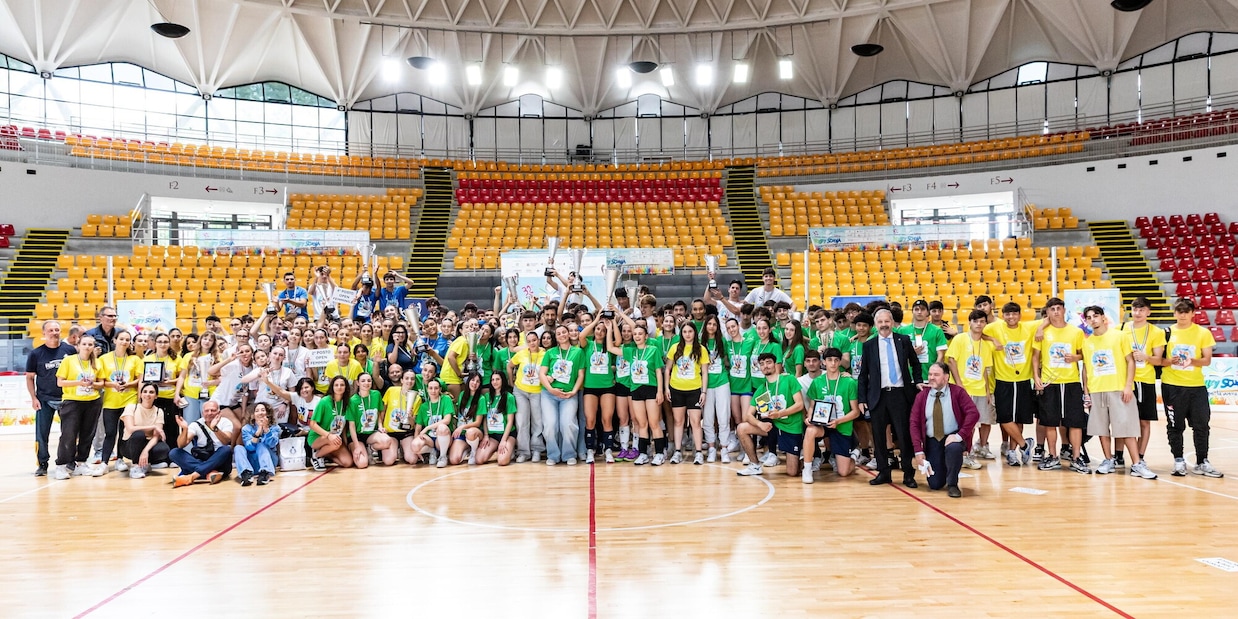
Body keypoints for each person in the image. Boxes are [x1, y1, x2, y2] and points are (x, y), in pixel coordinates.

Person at [1080, 306, 1156, 479]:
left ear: (1103, 318)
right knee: (1102, 429)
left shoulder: (1119, 336)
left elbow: (1131, 361)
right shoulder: (1087, 341)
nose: (1093, 319)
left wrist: (1128, 386)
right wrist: (1086, 390)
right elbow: (1085, 367)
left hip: (1119, 389)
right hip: (1097, 389)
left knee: (1126, 428)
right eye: (1089, 317)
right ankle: (1108, 460)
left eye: (1096, 316)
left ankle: (1136, 464)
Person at [856, 308, 923, 488]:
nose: (884, 325)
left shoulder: (904, 340)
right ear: (875, 325)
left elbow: (916, 364)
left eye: (887, 321)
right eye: (880, 322)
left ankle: (909, 474)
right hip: (878, 396)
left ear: (892, 322)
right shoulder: (869, 345)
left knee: (903, 436)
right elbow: (863, 375)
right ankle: (884, 473)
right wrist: (862, 399)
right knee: (878, 437)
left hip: (900, 394)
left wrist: (917, 382)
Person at [1160, 298, 1223, 478]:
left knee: (1201, 425)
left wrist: (1192, 361)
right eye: (1179, 311)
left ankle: (1202, 461)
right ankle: (1178, 460)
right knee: (1175, 425)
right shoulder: (1166, 333)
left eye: (1186, 311)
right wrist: (1169, 361)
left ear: (1193, 313)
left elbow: (1207, 360)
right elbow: (1159, 360)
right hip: (1172, 386)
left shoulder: (1203, 333)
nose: (1182, 315)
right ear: (1174, 313)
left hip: (1196, 387)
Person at [1032, 297, 1087, 474]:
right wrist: (1036, 378)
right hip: (1049, 383)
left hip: (1071, 382)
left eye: (1058, 308)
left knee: (1075, 423)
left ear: (1064, 310)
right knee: (1050, 422)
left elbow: (1083, 355)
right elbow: (1035, 357)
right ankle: (1053, 456)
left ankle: (1077, 458)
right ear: (1047, 312)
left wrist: (1075, 358)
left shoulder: (1076, 332)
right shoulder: (1042, 333)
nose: (1056, 311)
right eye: (1052, 309)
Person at [909, 362, 981, 498]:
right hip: (932, 441)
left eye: (936, 375)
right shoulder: (921, 396)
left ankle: (953, 483)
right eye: (930, 374)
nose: (931, 377)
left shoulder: (958, 392)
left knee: (954, 448)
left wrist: (960, 436)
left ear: (946, 377)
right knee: (935, 484)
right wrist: (918, 450)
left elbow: (973, 413)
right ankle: (944, 471)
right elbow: (914, 424)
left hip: (951, 438)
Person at [983, 302, 1037, 466]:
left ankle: (1013, 452)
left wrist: (1041, 329)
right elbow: (979, 333)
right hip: (1003, 380)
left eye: (1014, 313)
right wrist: (993, 339)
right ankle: (1024, 444)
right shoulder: (995, 328)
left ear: (1020, 315)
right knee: (1005, 417)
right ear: (1003, 315)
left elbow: (1048, 318)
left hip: (1023, 380)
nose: (1011, 317)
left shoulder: (1028, 327)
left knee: (1019, 418)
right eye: (1007, 314)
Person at [735, 352, 805, 477]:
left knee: (792, 472)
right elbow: (748, 415)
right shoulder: (762, 389)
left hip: (791, 427)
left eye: (768, 362)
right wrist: (760, 424)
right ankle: (755, 465)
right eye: (761, 364)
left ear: (775, 364)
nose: (765, 366)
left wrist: (780, 414)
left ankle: (807, 458)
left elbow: (800, 404)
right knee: (742, 428)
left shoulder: (788, 379)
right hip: (772, 427)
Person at [945, 309, 995, 471]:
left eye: (982, 321)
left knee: (976, 423)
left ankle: (969, 452)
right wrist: (959, 384)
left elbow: (985, 371)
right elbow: (951, 361)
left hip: (980, 389)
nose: (979, 324)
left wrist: (988, 391)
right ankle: (964, 455)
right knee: (965, 424)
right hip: (963, 389)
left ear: (985, 324)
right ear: (970, 323)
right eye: (975, 321)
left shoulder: (986, 345)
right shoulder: (960, 339)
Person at [802, 348, 860, 483]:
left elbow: (855, 411)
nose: (833, 363)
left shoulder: (849, 382)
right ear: (824, 362)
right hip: (822, 423)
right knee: (810, 430)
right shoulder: (817, 382)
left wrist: (838, 421)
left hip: (841, 424)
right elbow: (812, 406)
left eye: (836, 360)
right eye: (829, 360)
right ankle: (807, 469)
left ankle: (855, 454)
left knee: (844, 472)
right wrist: (809, 417)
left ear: (840, 362)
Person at [51, 334, 104, 479]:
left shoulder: (97, 363)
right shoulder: (69, 360)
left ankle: (81, 463)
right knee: (69, 434)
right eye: (85, 344)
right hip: (72, 401)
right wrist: (79, 383)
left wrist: (93, 384)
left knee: (87, 434)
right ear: (78, 345)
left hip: (92, 401)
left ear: (93, 347)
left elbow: (102, 383)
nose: (87, 347)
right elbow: (60, 382)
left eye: (90, 344)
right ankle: (61, 465)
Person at [26, 320, 75, 476]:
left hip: (67, 398)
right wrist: (33, 398)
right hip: (44, 399)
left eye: (57, 329)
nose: (54, 332)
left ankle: (69, 460)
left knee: (69, 433)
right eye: (51, 330)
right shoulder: (35, 354)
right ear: (44, 333)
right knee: (41, 434)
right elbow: (29, 378)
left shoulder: (70, 350)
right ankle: (42, 463)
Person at [1122, 296, 1166, 464]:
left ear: (1148, 312)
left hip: (1145, 381)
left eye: (1141, 310)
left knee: (1144, 421)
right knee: (1123, 421)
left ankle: (1140, 456)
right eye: (1135, 309)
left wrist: (1146, 357)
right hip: (1126, 381)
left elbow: (1159, 360)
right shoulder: (1124, 328)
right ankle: (1119, 455)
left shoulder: (1156, 332)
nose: (1137, 313)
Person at [540, 325, 585, 465]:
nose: (562, 335)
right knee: (550, 425)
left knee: (568, 424)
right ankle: (553, 455)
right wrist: (551, 389)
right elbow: (542, 374)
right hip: (549, 394)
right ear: (556, 337)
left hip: (569, 395)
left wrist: (574, 391)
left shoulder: (578, 352)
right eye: (558, 333)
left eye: (564, 332)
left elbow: (580, 375)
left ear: (569, 334)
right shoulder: (550, 353)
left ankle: (569, 454)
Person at [97, 329, 141, 473]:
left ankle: (120, 459)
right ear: (115, 340)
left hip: (129, 399)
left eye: (127, 340)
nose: (124, 342)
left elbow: (139, 380)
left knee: (124, 432)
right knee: (110, 432)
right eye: (121, 339)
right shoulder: (104, 359)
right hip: (111, 400)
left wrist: (128, 385)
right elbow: (102, 381)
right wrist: (113, 385)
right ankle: (104, 462)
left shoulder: (134, 359)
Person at [665, 321, 709, 464]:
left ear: (695, 333)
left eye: (690, 331)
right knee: (678, 421)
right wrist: (666, 388)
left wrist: (703, 392)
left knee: (696, 422)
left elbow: (704, 372)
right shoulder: (675, 348)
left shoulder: (701, 349)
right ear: (681, 333)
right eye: (685, 332)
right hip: (676, 389)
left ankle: (699, 453)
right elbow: (667, 369)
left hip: (694, 389)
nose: (687, 334)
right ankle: (677, 451)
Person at [579, 313, 617, 464]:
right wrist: (596, 321)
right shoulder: (588, 343)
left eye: (602, 330)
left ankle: (607, 450)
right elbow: (581, 336)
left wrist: (611, 325)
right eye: (597, 329)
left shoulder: (610, 346)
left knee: (607, 419)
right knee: (590, 419)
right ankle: (590, 450)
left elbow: (618, 342)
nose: (599, 332)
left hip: (607, 386)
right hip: (590, 386)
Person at [170, 400, 235, 487]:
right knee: (174, 452)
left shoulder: (226, 422)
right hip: (203, 459)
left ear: (219, 412)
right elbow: (181, 445)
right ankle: (210, 473)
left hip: (220, 462)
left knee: (226, 449)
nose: (209, 413)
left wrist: (214, 428)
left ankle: (192, 476)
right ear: (202, 412)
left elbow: (226, 441)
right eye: (207, 411)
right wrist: (185, 429)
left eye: (213, 410)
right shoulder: (196, 424)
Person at [119, 383, 171, 479]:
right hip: (129, 444)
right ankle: (135, 467)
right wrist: (153, 427)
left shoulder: (159, 411)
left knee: (164, 449)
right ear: (141, 394)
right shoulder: (131, 407)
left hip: (148, 443)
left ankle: (145, 464)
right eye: (145, 392)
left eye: (151, 392)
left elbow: (156, 436)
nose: (147, 395)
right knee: (139, 434)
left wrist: (145, 451)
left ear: (156, 396)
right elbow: (130, 429)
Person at [509, 331, 546, 462]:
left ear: (538, 340)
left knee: (537, 421)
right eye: (529, 341)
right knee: (522, 421)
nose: (532, 343)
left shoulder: (544, 354)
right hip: (520, 391)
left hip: (537, 391)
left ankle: (536, 449)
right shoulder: (522, 353)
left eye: (534, 340)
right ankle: (524, 452)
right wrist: (511, 381)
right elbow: (510, 366)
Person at [700, 314, 732, 464]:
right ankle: (712, 447)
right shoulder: (700, 343)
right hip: (705, 384)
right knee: (707, 417)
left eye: (714, 324)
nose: (711, 326)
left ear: (718, 326)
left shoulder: (722, 341)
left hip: (722, 381)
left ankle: (724, 448)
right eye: (709, 323)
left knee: (723, 416)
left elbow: (727, 360)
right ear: (705, 325)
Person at [308, 376, 356, 470]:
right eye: (336, 385)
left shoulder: (347, 403)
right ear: (332, 387)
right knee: (335, 443)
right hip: (318, 437)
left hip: (336, 438)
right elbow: (312, 424)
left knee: (348, 462)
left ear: (346, 387)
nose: (339, 387)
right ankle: (316, 456)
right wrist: (328, 435)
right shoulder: (325, 401)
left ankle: (325, 454)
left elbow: (344, 427)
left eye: (342, 385)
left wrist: (345, 445)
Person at [897, 300, 950, 382]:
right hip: (909, 377)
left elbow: (941, 355)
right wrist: (911, 353)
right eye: (916, 309)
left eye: (922, 309)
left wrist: (934, 373)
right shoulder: (902, 331)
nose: (919, 312)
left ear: (927, 312)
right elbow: (897, 354)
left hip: (929, 378)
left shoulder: (937, 331)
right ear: (912, 312)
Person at [409, 378, 455, 467]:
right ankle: (432, 451)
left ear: (440, 389)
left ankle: (443, 456)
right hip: (430, 439)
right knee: (414, 445)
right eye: (430, 388)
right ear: (427, 389)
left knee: (442, 427)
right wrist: (416, 450)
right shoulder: (424, 406)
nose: (433, 391)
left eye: (436, 388)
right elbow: (418, 429)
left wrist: (427, 428)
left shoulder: (446, 399)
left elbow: (447, 420)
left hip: (443, 436)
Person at [234, 402, 280, 485]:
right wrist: (257, 433)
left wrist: (266, 429)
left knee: (261, 445)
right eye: (257, 411)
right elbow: (249, 447)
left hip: (269, 460)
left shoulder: (275, 427)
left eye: (263, 410)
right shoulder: (246, 428)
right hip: (253, 462)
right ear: (253, 415)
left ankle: (265, 473)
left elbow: (272, 444)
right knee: (238, 448)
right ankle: (246, 474)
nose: (260, 413)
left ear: (268, 413)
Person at [383, 369, 422, 464]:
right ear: (402, 380)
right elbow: (382, 411)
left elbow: (414, 423)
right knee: (388, 461)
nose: (409, 381)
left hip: (406, 431)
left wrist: (409, 417)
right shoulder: (391, 390)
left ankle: (403, 449)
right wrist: (381, 427)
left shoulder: (417, 398)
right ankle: (395, 449)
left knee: (412, 460)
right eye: (407, 378)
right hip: (391, 431)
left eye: (412, 379)